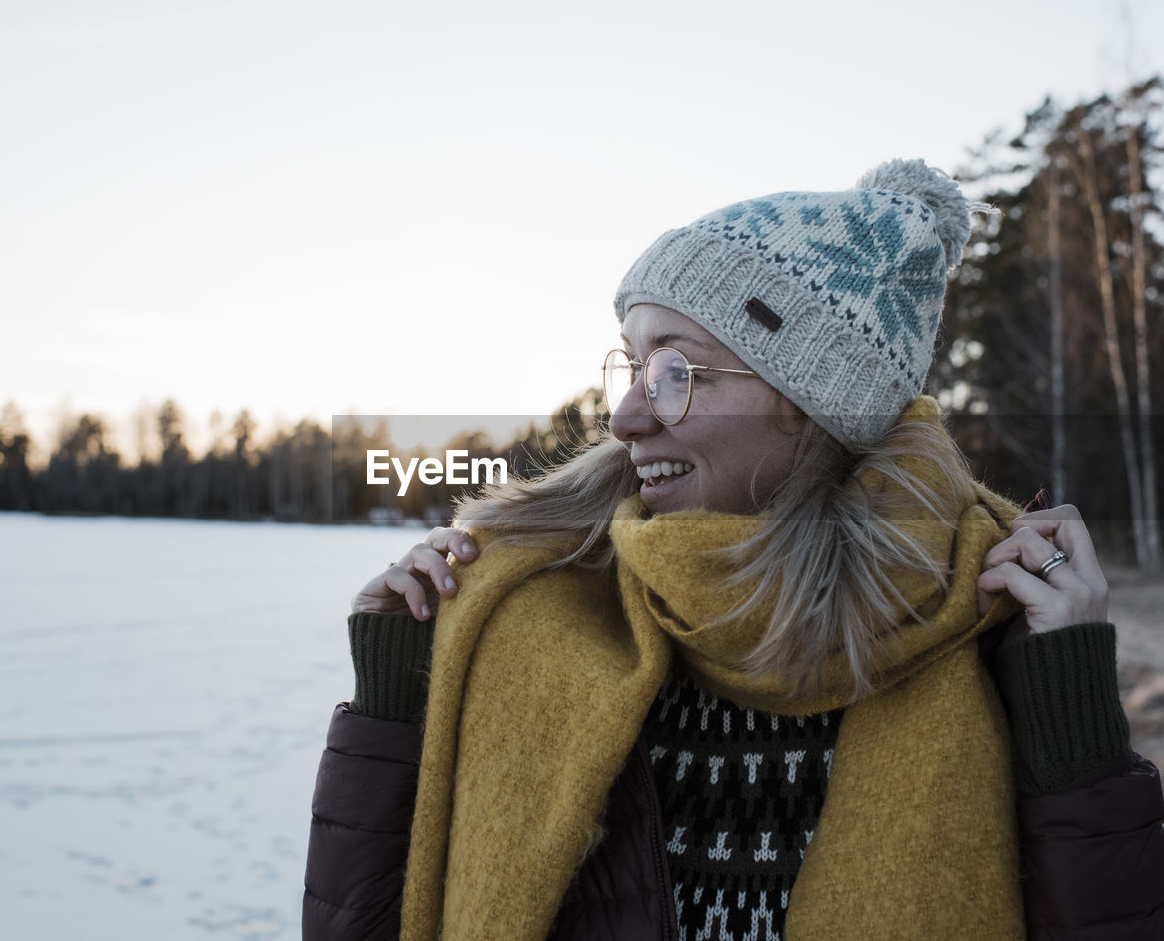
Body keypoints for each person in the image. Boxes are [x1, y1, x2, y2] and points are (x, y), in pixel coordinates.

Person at [303, 160, 1164, 939]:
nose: (625, 417)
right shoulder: (523, 602)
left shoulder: (998, 622)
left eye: (676, 372)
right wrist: (396, 701)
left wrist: (1072, 710)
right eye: (632, 369)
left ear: (813, 402)